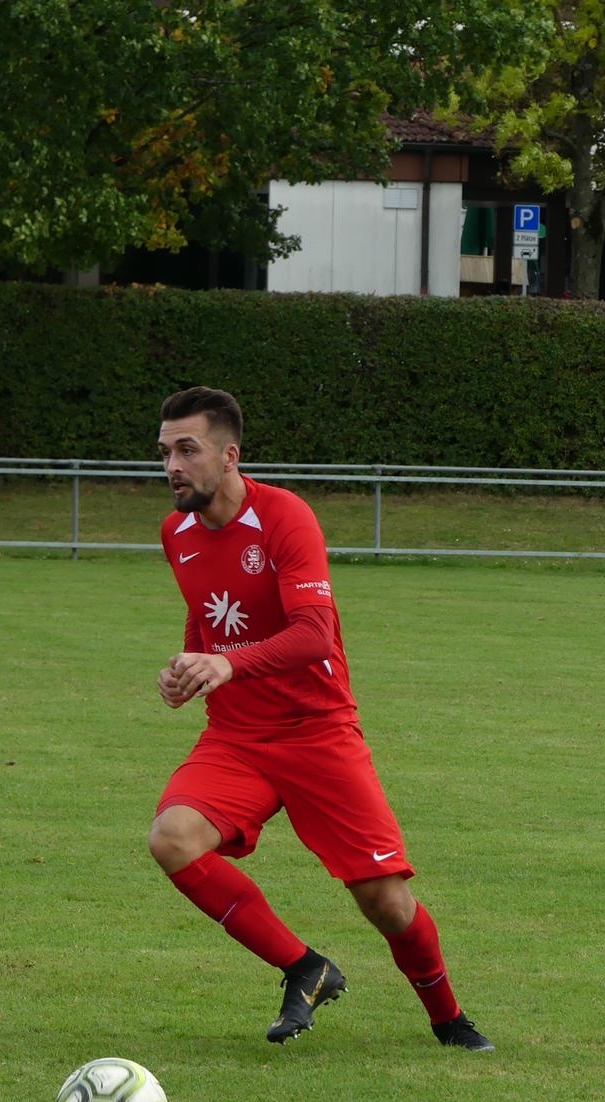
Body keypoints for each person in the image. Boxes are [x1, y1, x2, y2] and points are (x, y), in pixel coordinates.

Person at [150, 385, 493, 1051]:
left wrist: (228, 663)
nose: (172, 466)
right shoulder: (177, 533)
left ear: (229, 455)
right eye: (165, 452)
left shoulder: (285, 518)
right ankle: (305, 967)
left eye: (187, 450)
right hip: (237, 737)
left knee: (385, 901)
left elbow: (314, 635)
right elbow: (206, 612)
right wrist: (192, 666)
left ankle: (448, 1018)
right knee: (172, 839)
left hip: (318, 732)